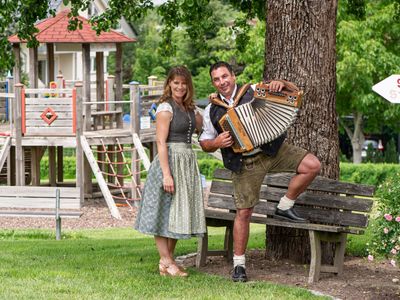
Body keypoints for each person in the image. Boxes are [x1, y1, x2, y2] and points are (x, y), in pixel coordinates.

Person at [199, 61, 321, 282]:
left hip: (272, 149)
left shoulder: (253, 90)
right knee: (244, 213)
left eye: (225, 76)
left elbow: (293, 92)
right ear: (213, 82)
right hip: (245, 163)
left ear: (233, 76)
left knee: (312, 166)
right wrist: (216, 142)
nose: (222, 82)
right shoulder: (211, 110)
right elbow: (204, 142)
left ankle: (285, 206)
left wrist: (281, 83)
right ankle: (239, 266)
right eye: (216, 79)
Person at [135, 66, 206, 277]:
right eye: (176, 82)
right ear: (169, 84)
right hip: (170, 161)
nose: (180, 87)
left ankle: (167, 261)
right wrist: (167, 174)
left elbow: (201, 127)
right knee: (162, 212)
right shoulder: (165, 108)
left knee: (179, 211)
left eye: (184, 83)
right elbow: (160, 142)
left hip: (186, 162)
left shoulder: (188, 108)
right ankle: (167, 260)